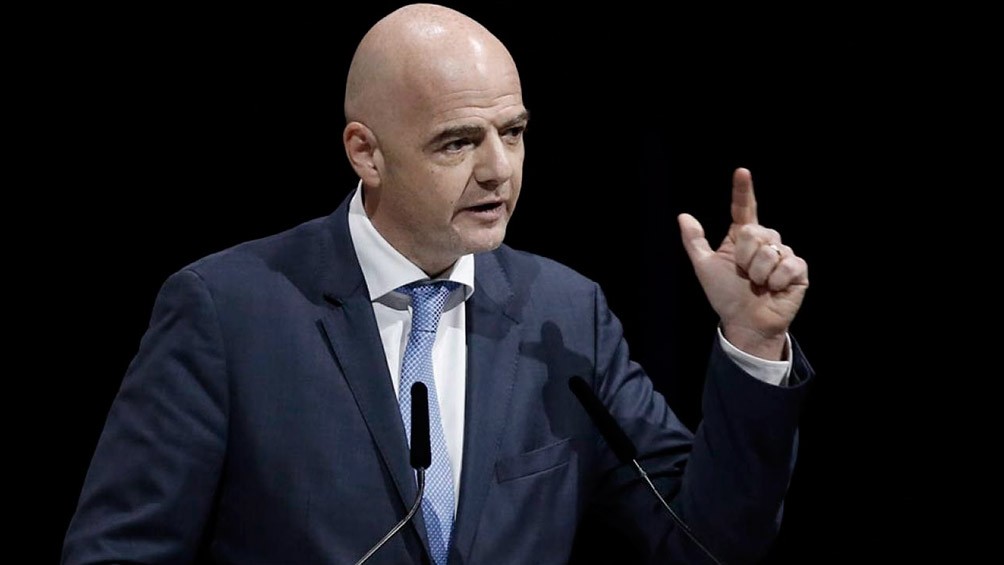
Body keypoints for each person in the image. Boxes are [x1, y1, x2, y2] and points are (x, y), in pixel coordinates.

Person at [62, 3, 812, 564]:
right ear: (367, 152)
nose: (498, 170)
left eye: (513, 132)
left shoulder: (564, 314)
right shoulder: (227, 313)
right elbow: (119, 551)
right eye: (458, 142)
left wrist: (753, 342)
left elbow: (707, 541)